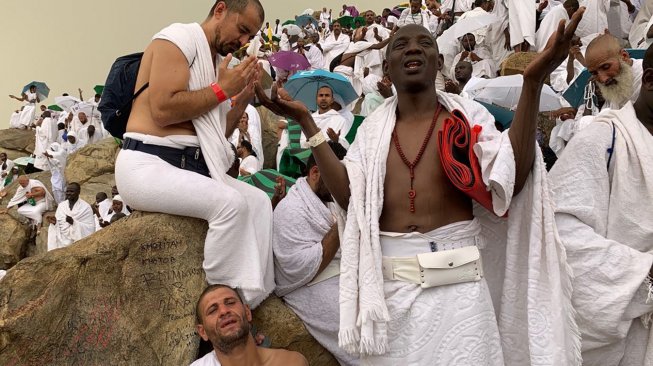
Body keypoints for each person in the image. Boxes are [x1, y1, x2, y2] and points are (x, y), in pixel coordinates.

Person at [258, 14, 585, 364]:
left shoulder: (466, 117)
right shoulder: (371, 132)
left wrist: (533, 82)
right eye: (400, 44)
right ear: (388, 66)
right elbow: (351, 199)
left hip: (460, 291)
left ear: (439, 61)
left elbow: (512, 180)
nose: (412, 48)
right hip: (391, 294)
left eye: (424, 43)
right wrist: (307, 122)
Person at [114, 0, 274, 307]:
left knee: (259, 203)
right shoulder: (176, 39)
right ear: (220, 10)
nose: (242, 42)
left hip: (192, 166)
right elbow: (162, 110)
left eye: (248, 37)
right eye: (242, 30)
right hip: (146, 163)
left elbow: (215, 133)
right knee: (230, 205)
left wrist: (242, 96)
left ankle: (254, 301)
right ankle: (219, 307)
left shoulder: (215, 64)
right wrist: (221, 90)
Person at [548, 43, 653, 366]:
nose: (602, 79)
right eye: (595, 73)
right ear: (649, 79)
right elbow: (560, 230)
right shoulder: (604, 137)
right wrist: (644, 275)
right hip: (633, 324)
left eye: (605, 69)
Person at [272, 142, 356, 366]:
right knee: (355, 325)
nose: (343, 186)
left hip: (341, 272)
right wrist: (343, 220)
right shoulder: (290, 209)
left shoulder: (328, 201)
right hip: (307, 284)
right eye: (337, 178)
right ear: (316, 172)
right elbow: (295, 267)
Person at [192, 284, 308, 366]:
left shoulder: (291, 362)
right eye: (212, 310)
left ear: (247, 312)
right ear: (203, 332)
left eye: (230, 303)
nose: (224, 311)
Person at [585, 33, 643, 110]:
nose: (603, 79)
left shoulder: (645, 76)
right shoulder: (615, 86)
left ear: (624, 56)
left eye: (606, 67)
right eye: (594, 73)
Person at [47, 182, 96, 251]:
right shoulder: (61, 206)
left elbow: (90, 227)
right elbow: (59, 223)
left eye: (72, 191)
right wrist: (55, 222)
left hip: (79, 239)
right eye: (67, 191)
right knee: (51, 227)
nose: (69, 193)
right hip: (61, 237)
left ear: (78, 192)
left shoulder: (86, 207)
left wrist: (74, 222)